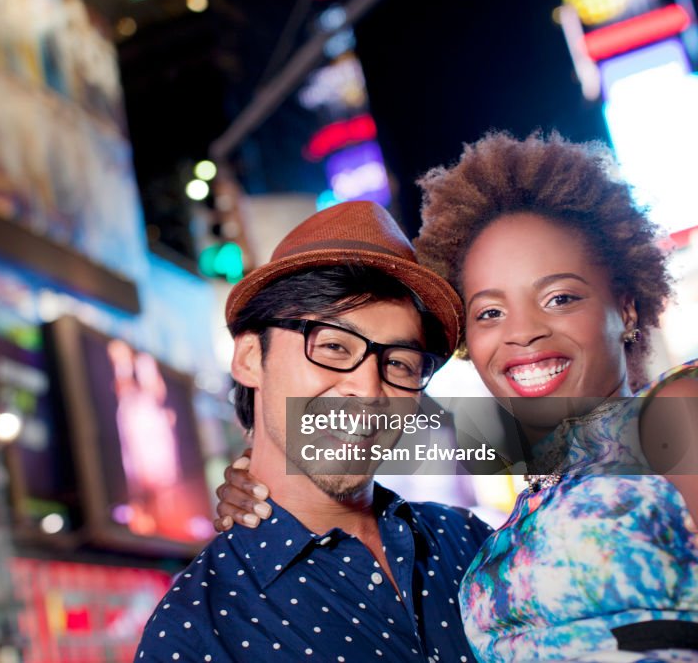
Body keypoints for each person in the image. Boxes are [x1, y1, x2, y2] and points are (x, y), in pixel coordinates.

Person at [215, 133, 698, 661]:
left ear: (626, 310)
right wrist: (268, 478)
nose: (524, 332)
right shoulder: (497, 530)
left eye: (559, 297)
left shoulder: (674, 415)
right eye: (490, 312)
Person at [136, 201, 494, 662]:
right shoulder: (197, 629)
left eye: (399, 364)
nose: (367, 389)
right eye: (332, 346)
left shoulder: (470, 543)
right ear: (249, 358)